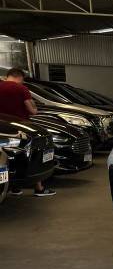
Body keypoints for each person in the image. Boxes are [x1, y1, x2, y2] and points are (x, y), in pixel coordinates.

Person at [0, 67, 55, 197]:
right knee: (32, 156)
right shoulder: (22, 89)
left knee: (9, 157)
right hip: (22, 128)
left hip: (3, 130)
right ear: (20, 77)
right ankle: (39, 188)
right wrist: (34, 107)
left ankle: (14, 188)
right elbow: (32, 110)